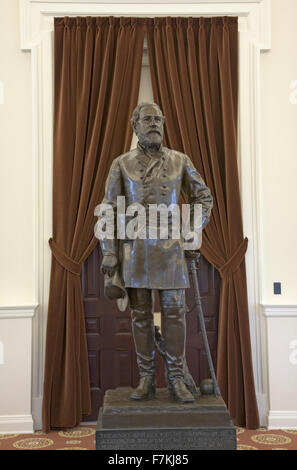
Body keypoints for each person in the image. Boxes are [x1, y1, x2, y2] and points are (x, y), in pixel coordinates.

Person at [99, 102, 213, 403]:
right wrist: (109, 251)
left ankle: (176, 378)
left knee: (175, 314)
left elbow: (204, 196)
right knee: (140, 316)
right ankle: (147, 379)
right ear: (135, 126)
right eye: (147, 119)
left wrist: (191, 228)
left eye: (158, 119)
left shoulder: (180, 160)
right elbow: (109, 209)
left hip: (171, 250)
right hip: (136, 250)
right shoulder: (121, 163)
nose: (154, 124)